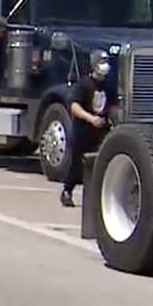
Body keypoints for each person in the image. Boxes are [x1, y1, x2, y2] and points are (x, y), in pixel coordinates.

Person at [60, 49, 118, 208]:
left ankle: (97, 197)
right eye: (101, 62)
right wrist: (91, 119)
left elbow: (113, 107)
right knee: (78, 163)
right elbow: (74, 106)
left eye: (106, 62)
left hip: (102, 129)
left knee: (101, 162)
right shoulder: (84, 84)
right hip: (83, 130)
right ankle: (67, 190)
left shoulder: (109, 86)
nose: (105, 66)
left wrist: (114, 122)